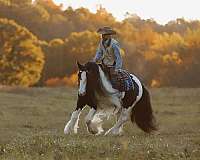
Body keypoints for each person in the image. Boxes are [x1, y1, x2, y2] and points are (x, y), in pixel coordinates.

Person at [93, 26, 133, 92]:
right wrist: (94, 61)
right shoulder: (101, 42)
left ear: (109, 36)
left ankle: (118, 94)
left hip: (112, 66)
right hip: (103, 64)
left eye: (104, 34)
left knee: (114, 83)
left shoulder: (114, 44)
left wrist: (117, 69)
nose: (102, 36)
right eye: (102, 34)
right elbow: (99, 53)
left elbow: (118, 57)